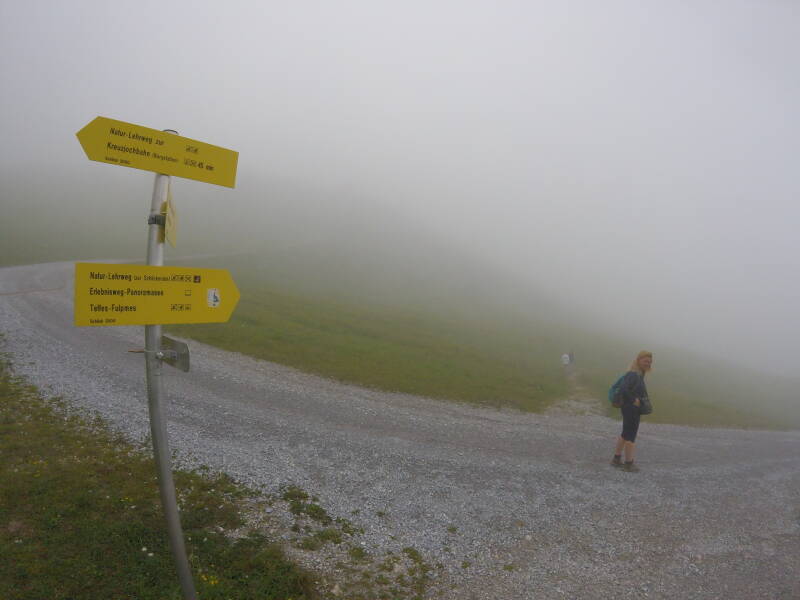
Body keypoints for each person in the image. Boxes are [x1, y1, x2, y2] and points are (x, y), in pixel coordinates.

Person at [611, 351, 653, 472]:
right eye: (645, 361)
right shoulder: (634, 374)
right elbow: (624, 388)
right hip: (631, 408)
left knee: (625, 433)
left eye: (650, 362)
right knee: (631, 435)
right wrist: (634, 400)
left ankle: (616, 459)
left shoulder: (638, 374)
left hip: (628, 407)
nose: (648, 364)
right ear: (638, 360)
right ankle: (629, 464)